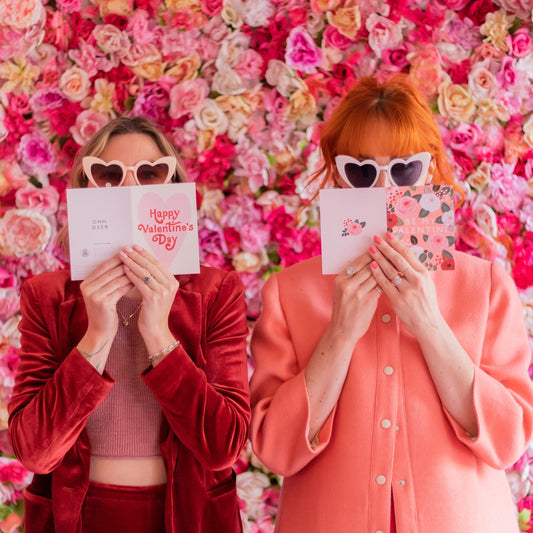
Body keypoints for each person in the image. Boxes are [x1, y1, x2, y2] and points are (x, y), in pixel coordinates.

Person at [249, 76, 533, 533]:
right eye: (362, 171)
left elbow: (506, 442)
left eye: (404, 169)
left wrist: (430, 324)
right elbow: (276, 449)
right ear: (336, 174)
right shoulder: (289, 292)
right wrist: (340, 332)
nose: (384, 187)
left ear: (431, 169)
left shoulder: (486, 286)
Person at [8, 116, 250, 533]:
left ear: (173, 184)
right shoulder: (47, 295)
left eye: (151, 173)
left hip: (187, 513)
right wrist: (96, 337)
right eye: (108, 174)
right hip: (79, 514)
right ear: (87, 187)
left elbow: (223, 446)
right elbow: (34, 452)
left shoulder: (215, 291)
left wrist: (159, 335)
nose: (130, 189)